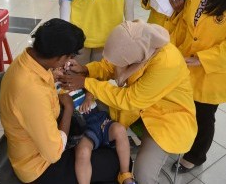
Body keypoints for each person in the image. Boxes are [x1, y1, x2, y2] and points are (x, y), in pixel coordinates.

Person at [58, 20, 197, 184]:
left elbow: (130, 99)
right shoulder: (139, 41)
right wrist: (85, 70)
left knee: (143, 174)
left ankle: (127, 174)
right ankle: (120, 161)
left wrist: (86, 83)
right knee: (102, 113)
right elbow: (111, 66)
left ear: (134, 57)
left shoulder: (167, 61)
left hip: (167, 119)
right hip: (137, 109)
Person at [0, 18, 120, 184]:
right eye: (69, 58)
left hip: (39, 139)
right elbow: (54, 153)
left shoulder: (28, 60)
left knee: (101, 147)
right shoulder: (31, 91)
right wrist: (68, 110)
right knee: (114, 162)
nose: (68, 63)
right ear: (60, 57)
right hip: (38, 167)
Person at [166, 0, 226, 174]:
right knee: (185, 108)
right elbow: (186, 25)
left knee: (204, 115)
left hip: (211, 73)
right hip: (185, 65)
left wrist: (201, 58)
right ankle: (182, 140)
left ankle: (197, 155)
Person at [53, 66, 135, 184]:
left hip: (99, 119)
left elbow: (91, 86)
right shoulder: (50, 89)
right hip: (82, 128)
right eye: (56, 68)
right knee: (83, 152)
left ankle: (126, 175)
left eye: (63, 66)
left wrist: (88, 98)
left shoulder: (72, 76)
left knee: (120, 130)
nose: (62, 69)